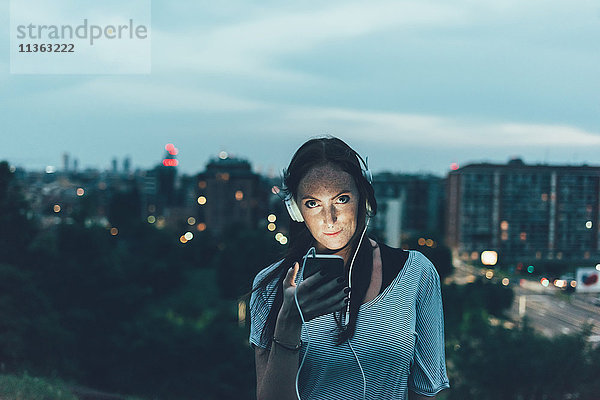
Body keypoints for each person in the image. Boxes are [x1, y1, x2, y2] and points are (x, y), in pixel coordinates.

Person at [249, 136, 450, 400]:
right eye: (313, 203)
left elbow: (425, 393)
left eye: (341, 199)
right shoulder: (271, 286)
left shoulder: (416, 273)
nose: (329, 218)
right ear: (296, 210)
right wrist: (289, 323)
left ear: (363, 198)